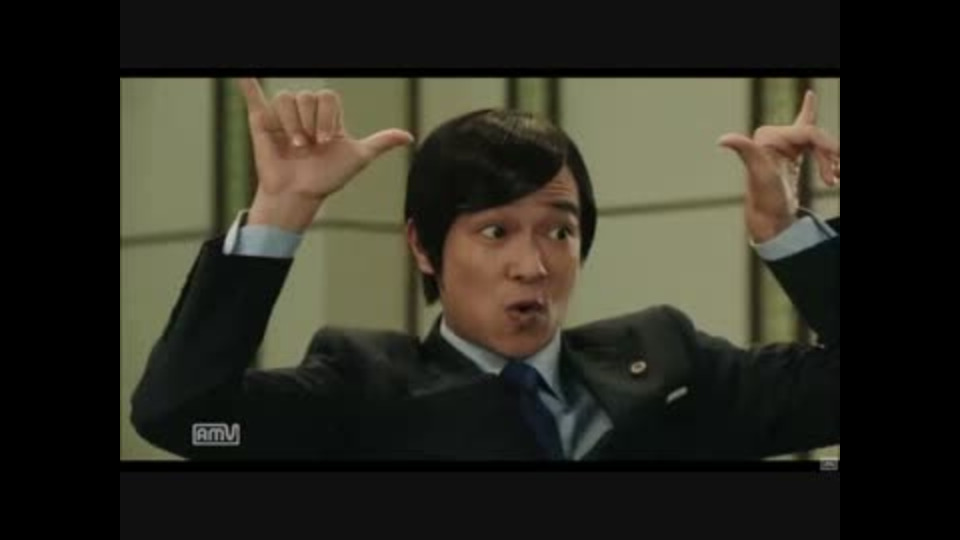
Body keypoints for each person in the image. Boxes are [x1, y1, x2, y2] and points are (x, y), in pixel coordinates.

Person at [130, 78, 840, 461]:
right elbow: (188, 422)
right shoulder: (362, 389)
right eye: (495, 231)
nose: (532, 266)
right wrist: (280, 211)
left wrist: (785, 234)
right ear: (423, 246)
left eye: (559, 231)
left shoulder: (667, 360)